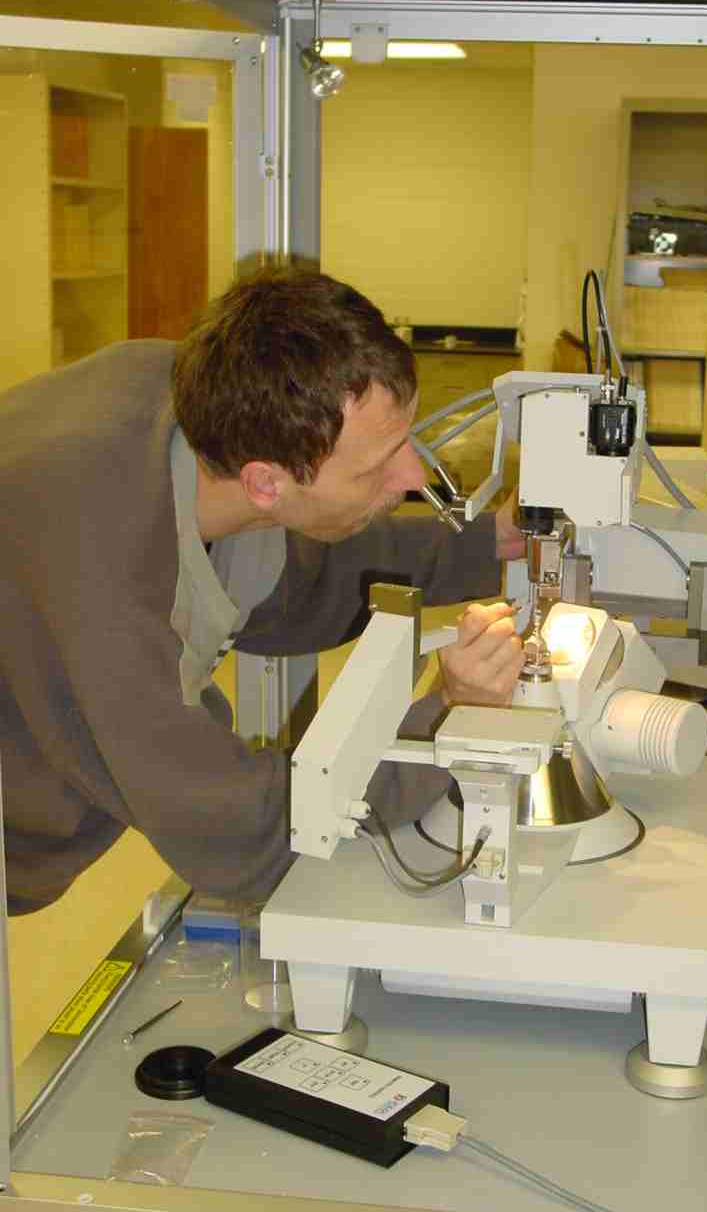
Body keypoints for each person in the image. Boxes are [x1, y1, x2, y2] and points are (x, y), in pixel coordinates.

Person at [0, 264, 526, 915]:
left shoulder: (198, 404)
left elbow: (304, 576)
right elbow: (236, 829)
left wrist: (489, 543)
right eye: (377, 466)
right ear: (266, 483)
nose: (413, 476)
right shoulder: (100, 588)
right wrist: (445, 721)